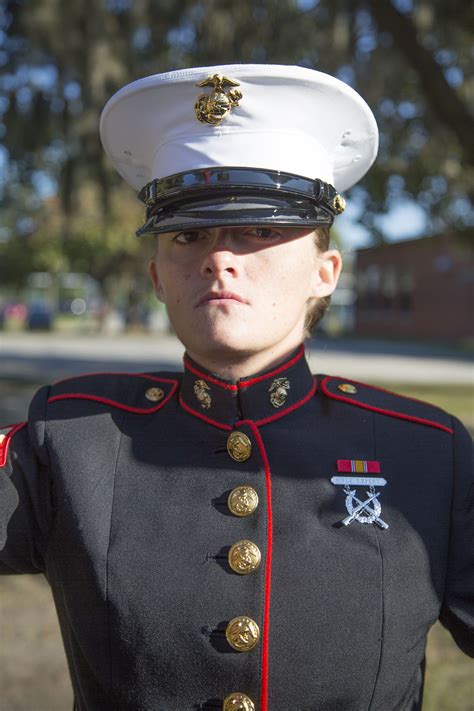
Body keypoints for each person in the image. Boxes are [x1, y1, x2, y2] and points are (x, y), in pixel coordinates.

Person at [0, 64, 472, 711]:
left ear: (326, 271)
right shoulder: (72, 439)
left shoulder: (429, 454)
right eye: (188, 235)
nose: (218, 257)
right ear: (158, 277)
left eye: (261, 231)